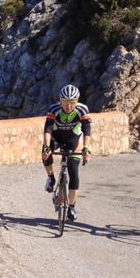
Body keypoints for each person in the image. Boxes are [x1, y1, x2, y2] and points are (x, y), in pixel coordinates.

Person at [42, 84, 92, 221]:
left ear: (77, 101)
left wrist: (86, 148)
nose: (69, 106)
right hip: (56, 138)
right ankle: (51, 178)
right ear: (60, 100)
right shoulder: (54, 109)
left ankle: (71, 207)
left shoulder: (82, 110)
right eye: (65, 102)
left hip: (73, 140)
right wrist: (47, 147)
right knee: (45, 151)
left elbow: (87, 130)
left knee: (74, 172)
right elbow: (47, 129)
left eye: (72, 103)